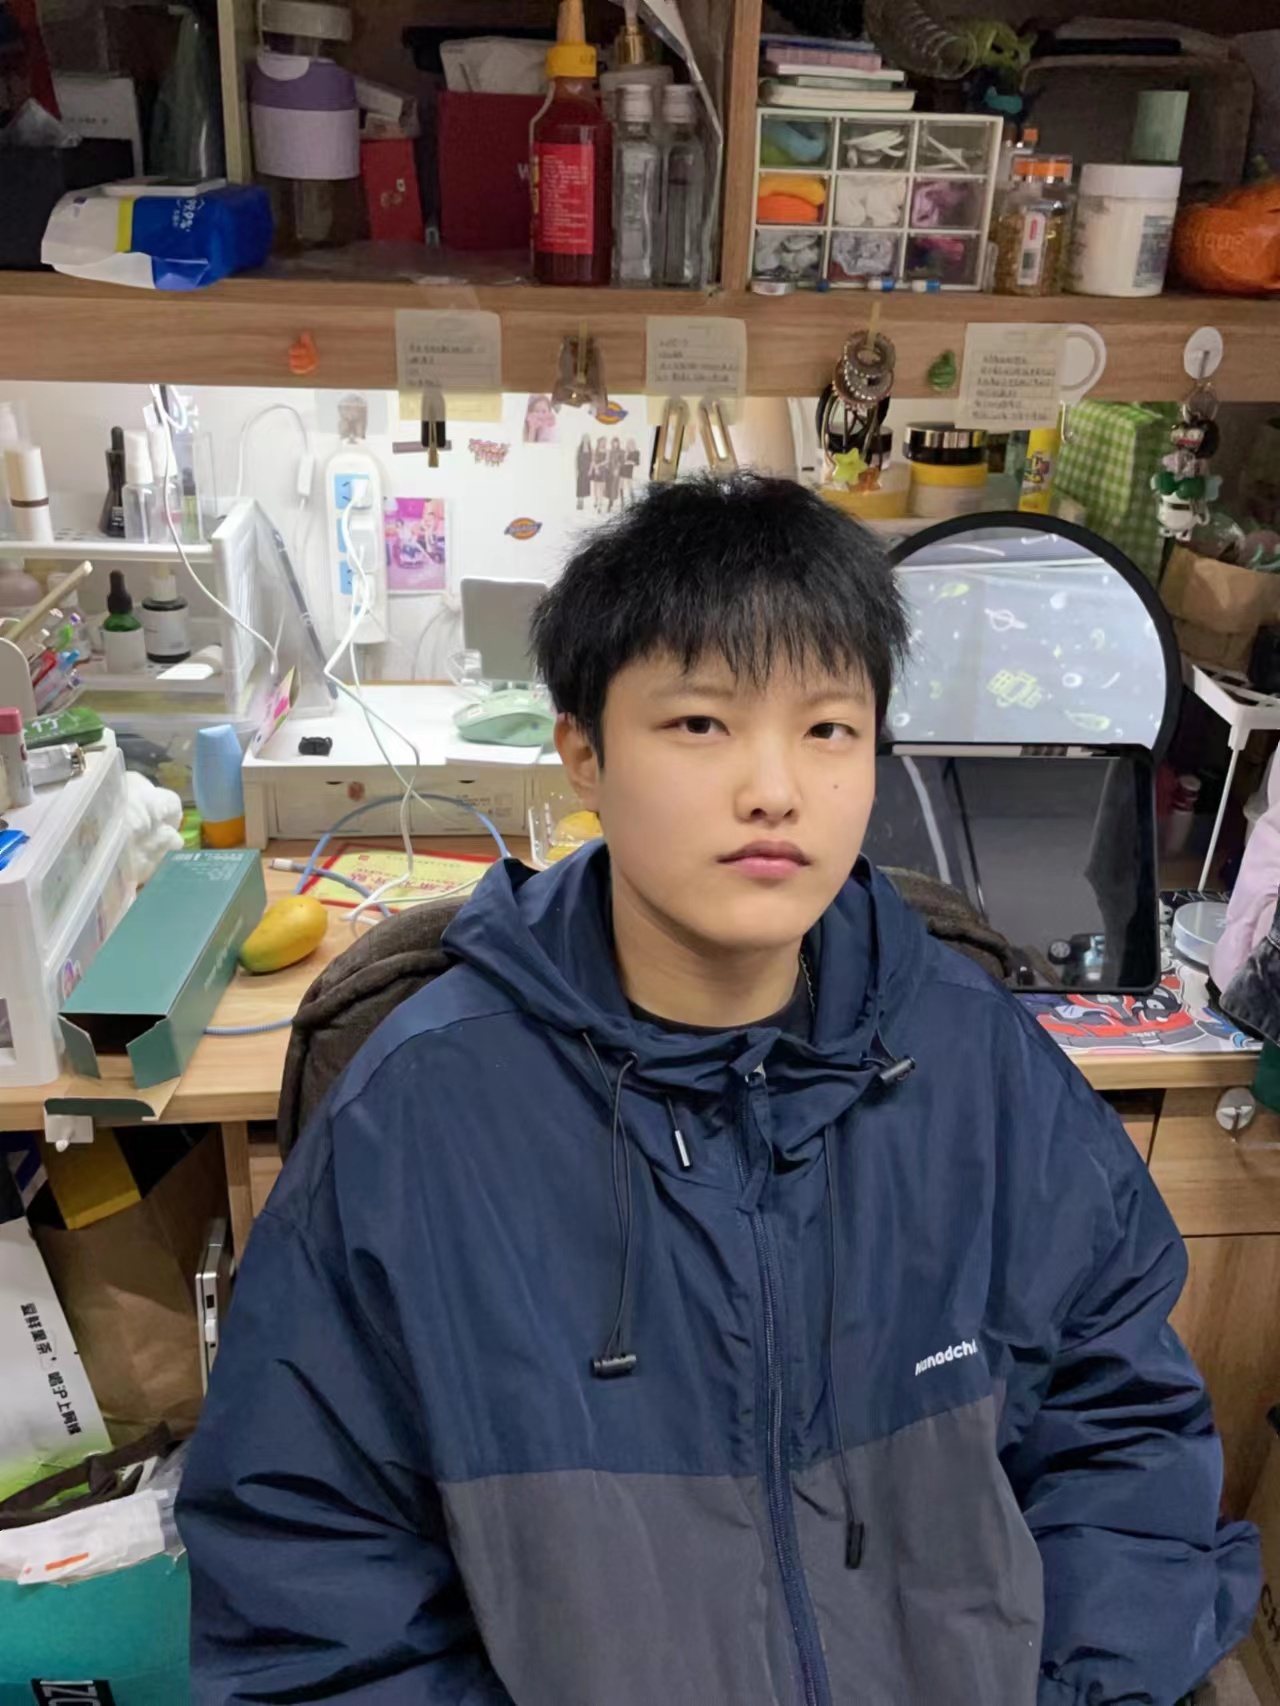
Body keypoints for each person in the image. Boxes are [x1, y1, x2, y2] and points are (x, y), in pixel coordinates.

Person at [179, 474, 1258, 1705]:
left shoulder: (974, 1059)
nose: (773, 788)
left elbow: (1122, 1437)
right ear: (582, 752)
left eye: (828, 729)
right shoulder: (418, 1117)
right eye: (700, 723)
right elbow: (309, 1581)